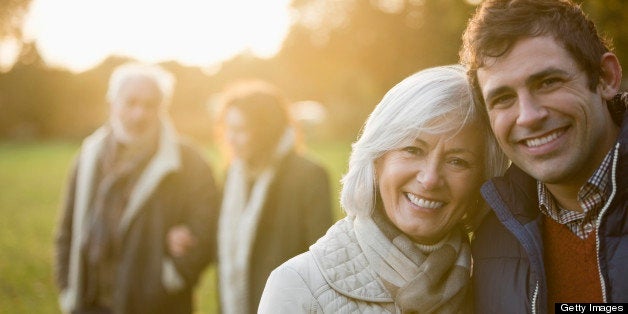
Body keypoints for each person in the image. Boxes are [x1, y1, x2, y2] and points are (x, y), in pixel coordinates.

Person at [258, 65, 509, 313]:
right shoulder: (298, 285)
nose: (430, 179)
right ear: (377, 159)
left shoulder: (502, 285)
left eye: (457, 161)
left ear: (482, 181)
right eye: (412, 150)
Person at [460, 0, 628, 312]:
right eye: (503, 98)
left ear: (605, 77)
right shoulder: (492, 240)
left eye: (548, 82)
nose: (528, 117)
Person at [54, 62, 220, 314]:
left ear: (162, 109)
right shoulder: (89, 156)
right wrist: (68, 289)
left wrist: (172, 275)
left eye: (150, 105)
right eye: (130, 103)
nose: (139, 114)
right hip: (90, 303)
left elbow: (208, 228)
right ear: (112, 104)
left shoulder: (189, 161)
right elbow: (66, 230)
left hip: (158, 306)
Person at [214, 80, 334, 314]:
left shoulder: (309, 175)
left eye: (240, 130)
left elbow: (321, 262)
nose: (231, 139)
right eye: (228, 129)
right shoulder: (233, 176)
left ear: (266, 130)